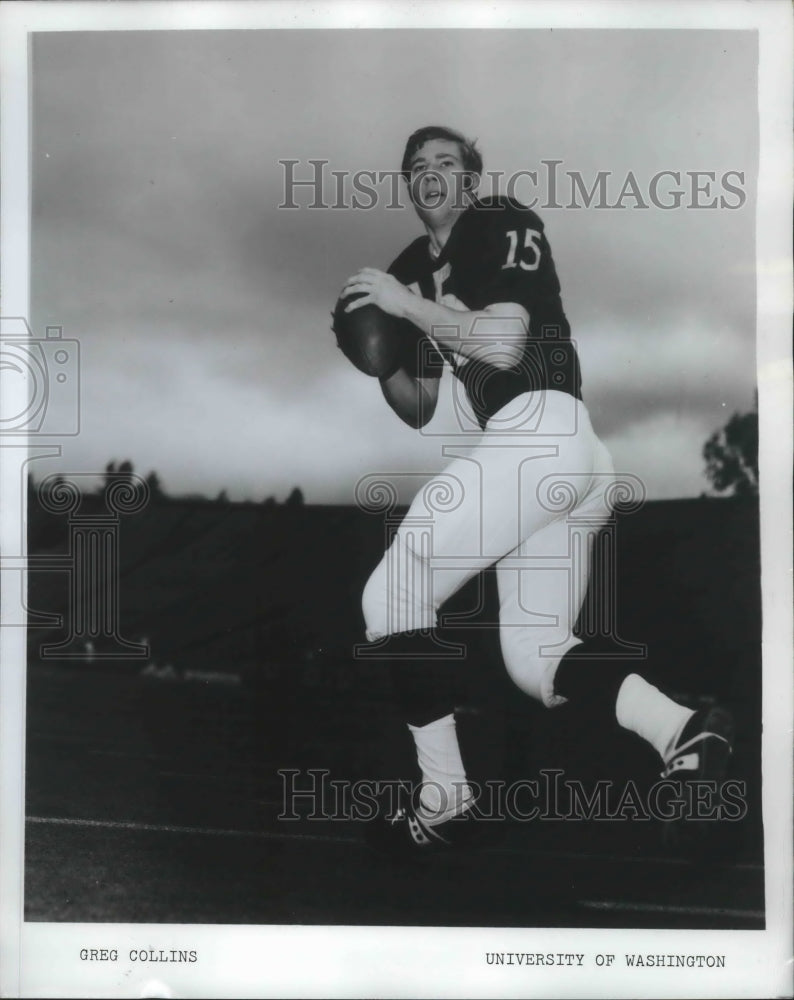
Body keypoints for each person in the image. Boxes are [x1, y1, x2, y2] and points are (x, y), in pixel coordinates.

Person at [338, 125, 734, 855]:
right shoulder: (409, 270)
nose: (431, 174)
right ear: (407, 184)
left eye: (446, 163)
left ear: (471, 178)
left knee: (390, 593)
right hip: (557, 457)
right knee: (536, 654)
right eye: (417, 166)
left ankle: (444, 793)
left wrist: (403, 307)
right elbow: (424, 406)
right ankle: (683, 729)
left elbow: (501, 344)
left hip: (540, 434)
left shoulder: (499, 223)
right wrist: (383, 359)